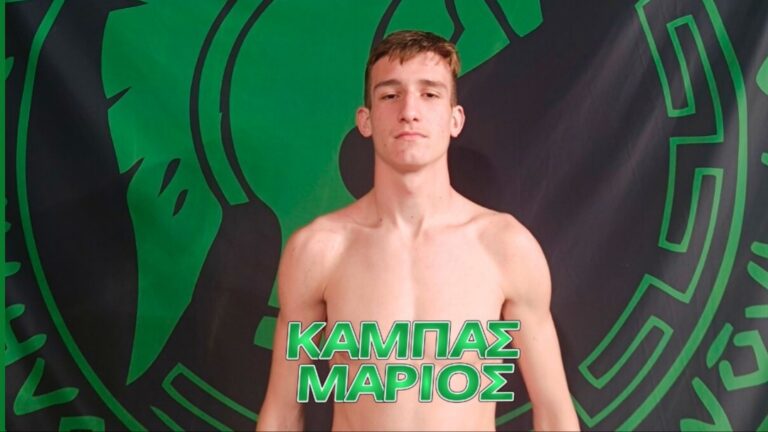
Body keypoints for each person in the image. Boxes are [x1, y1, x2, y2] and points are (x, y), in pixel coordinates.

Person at [257, 30, 579, 431]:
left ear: (455, 119)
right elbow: (283, 411)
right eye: (390, 95)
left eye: (429, 94)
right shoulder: (318, 250)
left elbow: (554, 413)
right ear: (365, 120)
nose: (409, 111)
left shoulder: (505, 246)